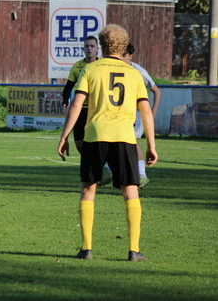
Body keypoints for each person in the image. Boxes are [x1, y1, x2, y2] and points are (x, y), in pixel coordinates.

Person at [57, 24, 158, 262]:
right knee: (130, 191)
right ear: (123, 47)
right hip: (124, 137)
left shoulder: (90, 70)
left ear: (101, 46)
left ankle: (86, 249)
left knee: (88, 189)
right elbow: (145, 113)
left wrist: (63, 137)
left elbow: (75, 104)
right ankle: (134, 250)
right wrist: (151, 145)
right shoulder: (133, 74)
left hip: (95, 135)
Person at [122, 43, 161, 188]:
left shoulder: (139, 71)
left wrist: (153, 110)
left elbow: (156, 91)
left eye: (123, 55)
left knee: (132, 141)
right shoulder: (116, 68)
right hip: (123, 112)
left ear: (130, 56)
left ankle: (142, 175)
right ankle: (111, 171)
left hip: (137, 113)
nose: (120, 58)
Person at [61, 36, 99, 154]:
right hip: (81, 109)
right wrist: (65, 101)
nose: (89, 48)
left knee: (97, 142)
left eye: (92, 46)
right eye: (87, 46)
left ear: (97, 48)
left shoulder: (101, 66)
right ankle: (89, 164)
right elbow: (68, 87)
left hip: (96, 109)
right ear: (83, 48)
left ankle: (96, 166)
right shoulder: (77, 66)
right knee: (79, 144)